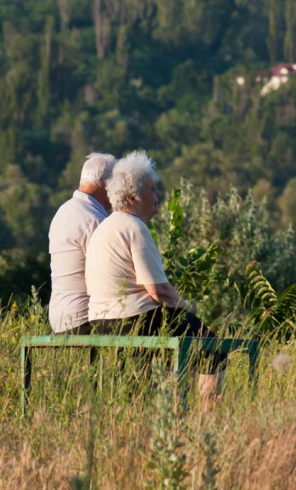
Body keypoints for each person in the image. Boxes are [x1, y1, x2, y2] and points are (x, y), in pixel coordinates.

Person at [85, 150, 225, 403]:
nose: (158, 195)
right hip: (134, 318)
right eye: (151, 190)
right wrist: (186, 306)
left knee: (166, 355)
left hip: (101, 320)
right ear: (131, 198)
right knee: (213, 347)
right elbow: (157, 289)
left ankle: (166, 408)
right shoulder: (134, 227)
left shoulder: (104, 227)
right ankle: (205, 418)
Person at [48, 152, 116, 334]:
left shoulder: (64, 211)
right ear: (106, 185)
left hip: (59, 315)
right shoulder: (93, 220)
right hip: (83, 317)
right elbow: (110, 275)